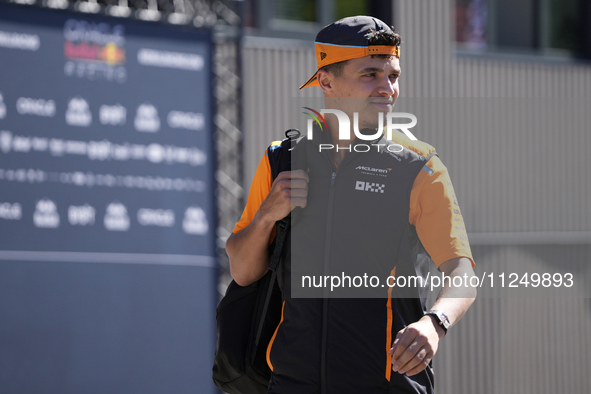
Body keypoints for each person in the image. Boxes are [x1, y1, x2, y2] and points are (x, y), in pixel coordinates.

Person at [226, 16, 477, 394]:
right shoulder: (281, 160)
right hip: (292, 384)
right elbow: (243, 273)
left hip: (387, 384)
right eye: (370, 75)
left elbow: (463, 274)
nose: (387, 88)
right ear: (326, 81)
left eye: (393, 76)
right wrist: (266, 216)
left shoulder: (419, 167)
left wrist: (434, 323)